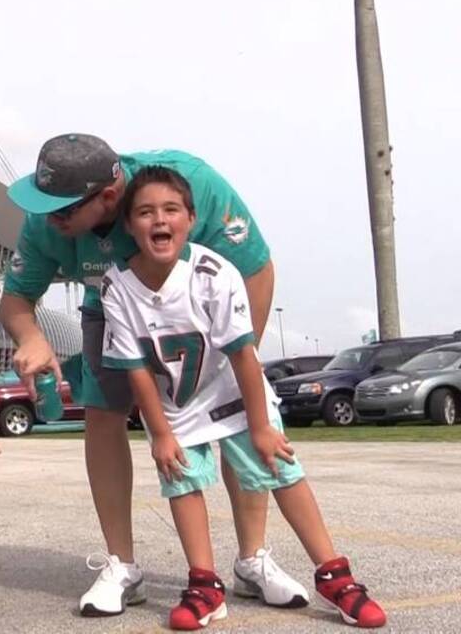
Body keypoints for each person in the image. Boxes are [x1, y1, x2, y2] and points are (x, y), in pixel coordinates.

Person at [0, 133, 307, 616]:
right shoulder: (46, 223)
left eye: (61, 211)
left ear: (106, 197)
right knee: (102, 413)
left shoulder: (188, 183)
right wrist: (31, 337)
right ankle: (122, 565)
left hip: (201, 312)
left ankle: (252, 559)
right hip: (115, 306)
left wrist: (238, 354)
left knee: (237, 419)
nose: (49, 218)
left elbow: (255, 267)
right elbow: (16, 299)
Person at [100, 166, 386, 630]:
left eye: (171, 210)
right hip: (178, 400)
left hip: (233, 390)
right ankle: (204, 584)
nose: (159, 220)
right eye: (146, 212)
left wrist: (260, 426)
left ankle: (335, 576)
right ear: (130, 225)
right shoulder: (117, 286)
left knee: (279, 465)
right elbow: (135, 368)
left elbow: (243, 356)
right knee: (181, 477)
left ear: (190, 219)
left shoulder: (215, 273)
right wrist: (161, 433)